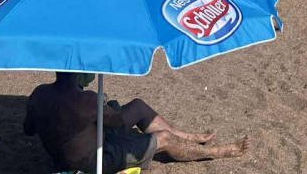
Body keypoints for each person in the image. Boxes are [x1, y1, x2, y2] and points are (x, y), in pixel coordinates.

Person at [24, 72, 249, 173]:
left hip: (69, 152)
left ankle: (189, 137)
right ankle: (221, 151)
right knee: (164, 139)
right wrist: (101, 104)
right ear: (80, 75)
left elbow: (28, 130)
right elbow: (116, 122)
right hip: (94, 162)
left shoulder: (39, 93)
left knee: (138, 106)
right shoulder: (86, 100)